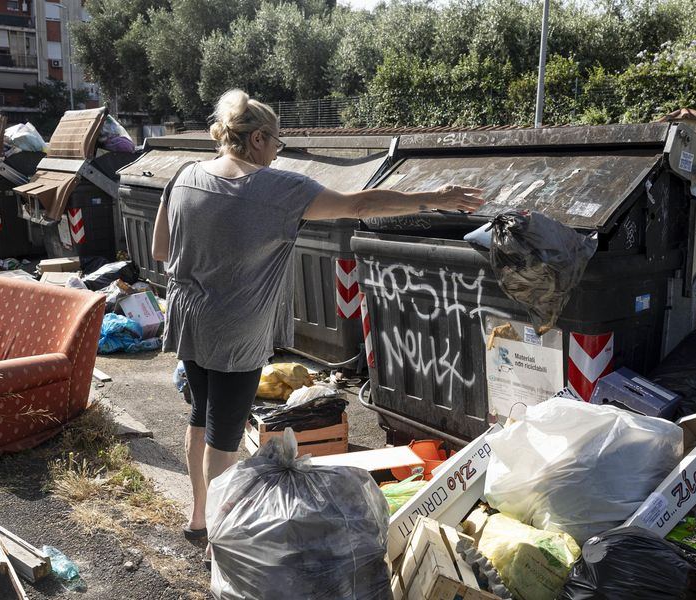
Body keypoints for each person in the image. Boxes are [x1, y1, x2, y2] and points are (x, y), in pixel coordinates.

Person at [151, 89, 484, 546]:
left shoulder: (185, 176)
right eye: (278, 143)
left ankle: (196, 518)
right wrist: (435, 197)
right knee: (225, 437)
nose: (277, 152)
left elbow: (160, 250)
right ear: (258, 140)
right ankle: (219, 543)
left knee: (201, 416)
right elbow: (360, 206)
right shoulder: (277, 188)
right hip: (237, 328)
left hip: (188, 316)